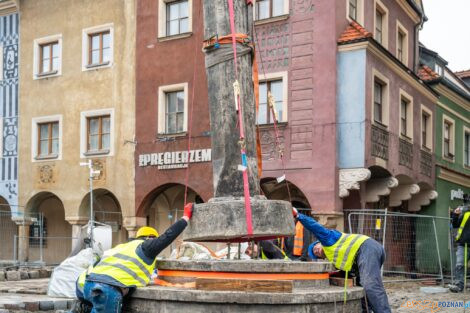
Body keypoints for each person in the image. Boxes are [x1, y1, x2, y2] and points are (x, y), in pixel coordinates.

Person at [79, 203, 194, 313]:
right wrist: (185, 218)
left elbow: (94, 266)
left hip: (88, 285)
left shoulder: (120, 247)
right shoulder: (147, 247)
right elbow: (168, 236)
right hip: (107, 289)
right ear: (150, 237)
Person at [293, 207, 391, 313]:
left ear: (319, 242)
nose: (315, 251)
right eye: (316, 255)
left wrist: (298, 216)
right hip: (363, 256)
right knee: (362, 288)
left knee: (371, 285)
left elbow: (314, 227)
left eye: (315, 248)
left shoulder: (328, 238)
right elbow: (343, 272)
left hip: (366, 248)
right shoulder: (334, 258)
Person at [448, 200, 470, 293]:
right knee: (460, 265)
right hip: (463, 244)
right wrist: (455, 215)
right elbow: (455, 224)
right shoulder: (466, 214)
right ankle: (459, 286)